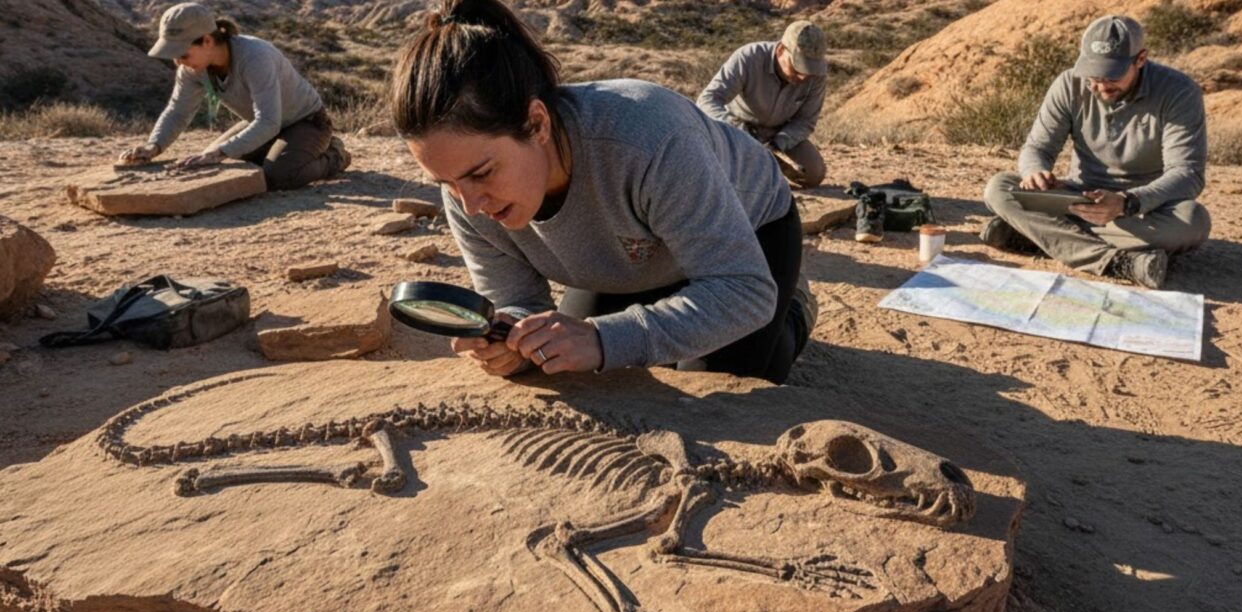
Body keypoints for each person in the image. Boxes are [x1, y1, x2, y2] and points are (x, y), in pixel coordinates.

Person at [392, 0, 816, 384]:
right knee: (562, 360)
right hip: (629, 261)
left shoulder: (649, 139)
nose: (470, 205)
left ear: (537, 124)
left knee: (715, 382)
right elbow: (518, 302)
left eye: (482, 174)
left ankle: (794, 309)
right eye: (446, 183)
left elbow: (744, 290)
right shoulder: (464, 192)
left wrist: (602, 337)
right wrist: (511, 342)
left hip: (749, 234)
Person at [981, 15, 1210, 289]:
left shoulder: (1179, 92)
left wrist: (1127, 202)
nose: (1101, 86)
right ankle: (1119, 263)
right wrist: (1035, 172)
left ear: (1141, 59)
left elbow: (1187, 173)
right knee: (999, 188)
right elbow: (1037, 148)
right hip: (1077, 200)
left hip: (1140, 210)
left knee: (1192, 220)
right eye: (1093, 75)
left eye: (1112, 75)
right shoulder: (1069, 84)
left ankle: (1041, 236)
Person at [119, 2, 351, 191]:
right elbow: (178, 111)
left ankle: (334, 154)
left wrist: (220, 151)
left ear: (207, 41)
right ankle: (283, 151)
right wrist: (153, 146)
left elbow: (269, 121)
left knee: (279, 175)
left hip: (307, 122)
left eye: (182, 54)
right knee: (209, 164)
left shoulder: (255, 57)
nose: (178, 62)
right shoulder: (192, 69)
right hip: (264, 124)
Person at [696, 21, 829, 189]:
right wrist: (736, 129)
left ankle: (767, 169)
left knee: (813, 173)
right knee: (733, 174)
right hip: (737, 130)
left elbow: (806, 121)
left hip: (778, 134)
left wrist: (778, 144)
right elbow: (708, 99)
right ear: (781, 50)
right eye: (797, 68)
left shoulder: (817, 75)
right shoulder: (749, 57)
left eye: (809, 70)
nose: (803, 76)